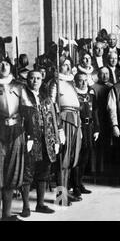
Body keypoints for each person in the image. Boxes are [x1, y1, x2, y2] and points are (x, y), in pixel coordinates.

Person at [20, 70, 62, 217]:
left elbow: (54, 120)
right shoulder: (23, 97)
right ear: (27, 80)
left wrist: (56, 140)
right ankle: (25, 206)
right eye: (32, 78)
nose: (35, 81)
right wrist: (25, 139)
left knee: (44, 172)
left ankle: (40, 204)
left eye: (38, 78)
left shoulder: (46, 98)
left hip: (46, 140)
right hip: (30, 140)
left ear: (42, 80)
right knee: (27, 173)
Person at [49, 56, 83, 205]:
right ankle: (60, 198)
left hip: (75, 120)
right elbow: (51, 106)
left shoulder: (71, 83)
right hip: (63, 120)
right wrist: (58, 128)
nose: (67, 68)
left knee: (70, 160)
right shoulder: (55, 83)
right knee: (62, 160)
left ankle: (66, 194)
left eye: (69, 65)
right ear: (59, 67)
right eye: (64, 65)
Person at [0, 56, 25, 221]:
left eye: (6, 63)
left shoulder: (20, 86)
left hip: (16, 131)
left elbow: (27, 110)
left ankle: (7, 214)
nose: (3, 65)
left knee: (11, 172)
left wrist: (29, 135)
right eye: (0, 63)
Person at [72, 73, 99, 197]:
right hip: (79, 127)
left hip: (90, 127)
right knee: (77, 156)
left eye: (85, 81)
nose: (83, 83)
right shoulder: (73, 94)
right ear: (76, 81)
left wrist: (96, 129)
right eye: (80, 81)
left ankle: (80, 183)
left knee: (85, 157)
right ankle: (75, 186)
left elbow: (95, 112)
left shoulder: (91, 94)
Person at [92, 67, 113, 175]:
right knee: (97, 145)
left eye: (107, 73)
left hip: (108, 119)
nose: (105, 76)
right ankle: (96, 169)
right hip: (98, 118)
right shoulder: (93, 88)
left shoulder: (112, 87)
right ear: (98, 75)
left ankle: (107, 168)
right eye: (102, 74)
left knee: (108, 144)